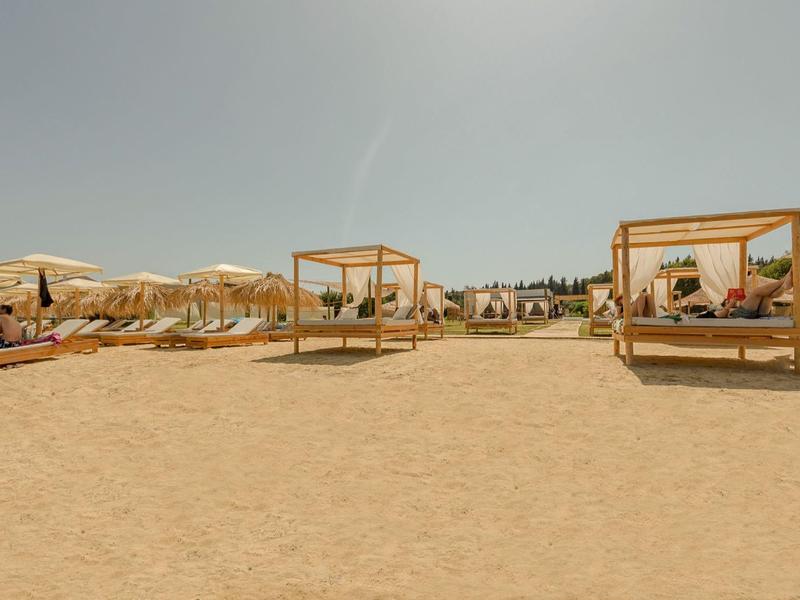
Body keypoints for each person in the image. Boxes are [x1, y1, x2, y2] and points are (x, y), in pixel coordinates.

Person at [696, 268, 793, 319]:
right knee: (756, 292)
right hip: (740, 315)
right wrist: (731, 303)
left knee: (768, 296)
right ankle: (783, 280)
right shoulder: (706, 316)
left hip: (755, 314)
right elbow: (723, 313)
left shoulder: (706, 316)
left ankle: (784, 287)